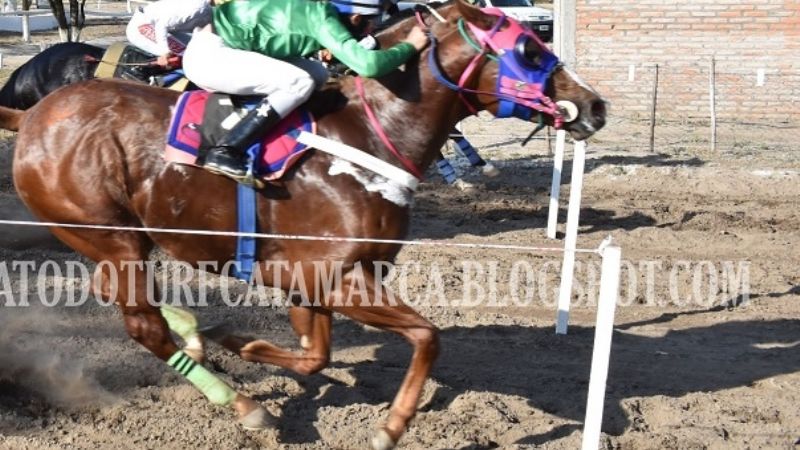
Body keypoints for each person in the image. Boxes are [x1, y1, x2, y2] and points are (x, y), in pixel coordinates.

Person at [181, 0, 429, 184]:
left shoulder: (319, 9)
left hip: (225, 46)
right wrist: (410, 46)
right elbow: (367, 65)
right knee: (299, 81)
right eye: (369, 24)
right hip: (210, 57)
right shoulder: (323, 19)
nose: (369, 31)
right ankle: (228, 149)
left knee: (316, 74)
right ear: (355, 17)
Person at [125, 0, 213, 66]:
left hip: (167, 28)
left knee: (200, 52)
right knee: (192, 57)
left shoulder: (212, 9)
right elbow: (161, 26)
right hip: (143, 25)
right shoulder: (198, 7)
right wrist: (164, 52)